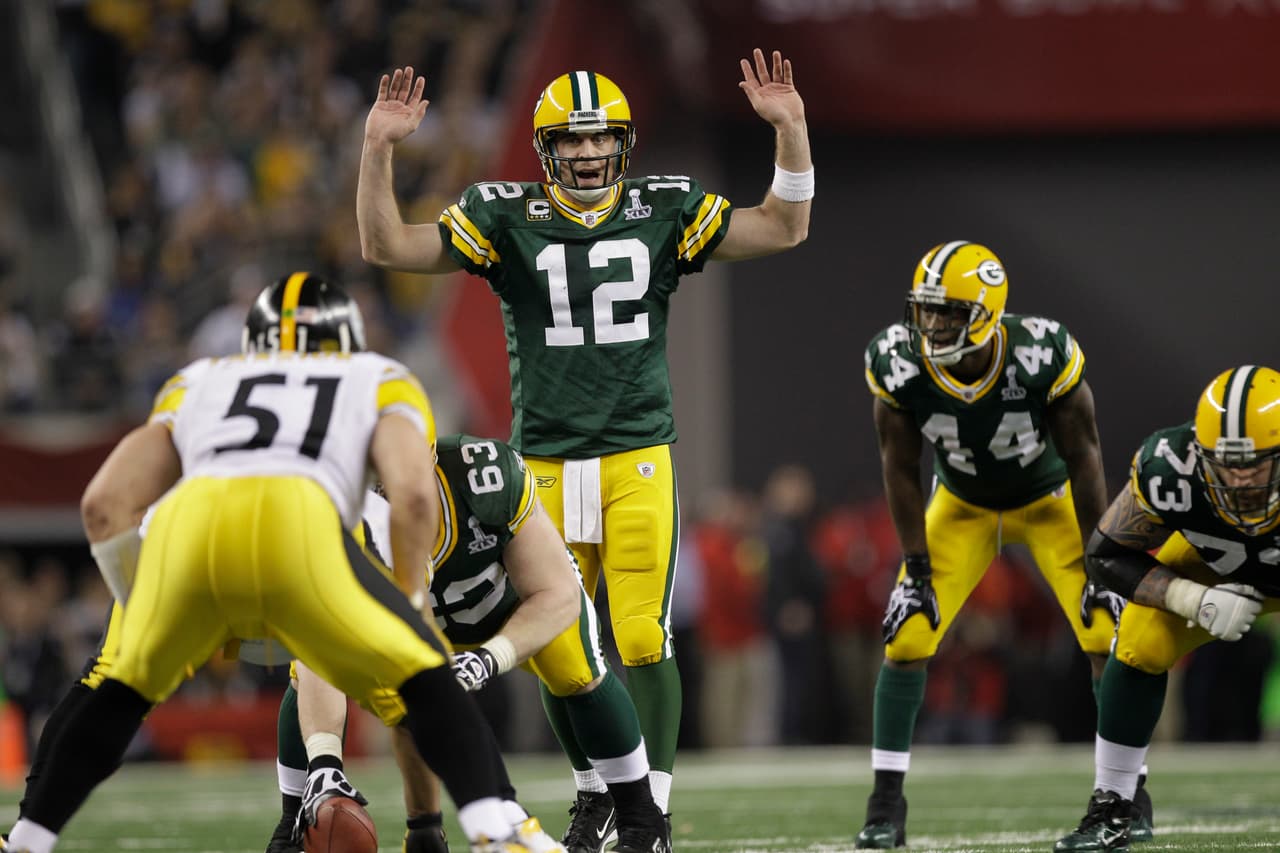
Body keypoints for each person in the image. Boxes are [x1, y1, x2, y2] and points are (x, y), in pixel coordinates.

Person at [355, 49, 812, 843]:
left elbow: (784, 224)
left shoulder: (663, 207)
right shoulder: (506, 216)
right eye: (571, 141)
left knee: (640, 635)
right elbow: (389, 248)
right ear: (546, 151)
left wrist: (792, 131)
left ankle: (652, 811)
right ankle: (594, 790)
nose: (589, 152)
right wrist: (378, 148)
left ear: (624, 144)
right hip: (542, 463)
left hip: (637, 453)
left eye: (601, 139)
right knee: (559, 645)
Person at [1, 273, 563, 853]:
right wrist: (413, 606)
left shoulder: (199, 379)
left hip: (186, 530)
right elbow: (416, 495)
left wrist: (146, 609)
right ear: (348, 338)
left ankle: (26, 840)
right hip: (300, 523)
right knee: (425, 678)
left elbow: (102, 506)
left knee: (113, 691)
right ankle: (495, 828)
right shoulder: (376, 378)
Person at [265, 435, 672, 853]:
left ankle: (642, 819)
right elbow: (318, 654)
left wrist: (490, 658)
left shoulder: (483, 477)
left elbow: (557, 594)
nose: (397, 491)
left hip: (509, 607)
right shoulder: (340, 517)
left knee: (574, 666)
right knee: (349, 675)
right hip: (412, 623)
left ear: (430, 456)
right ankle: (294, 820)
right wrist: (325, 764)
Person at [856, 241, 1130, 849]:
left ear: (985, 312)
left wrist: (1100, 562)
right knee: (907, 634)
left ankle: (1128, 796)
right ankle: (885, 807)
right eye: (925, 310)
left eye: (948, 312)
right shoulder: (898, 362)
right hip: (962, 505)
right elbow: (899, 468)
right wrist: (916, 565)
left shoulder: (1038, 353)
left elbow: (1085, 459)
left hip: (1048, 498)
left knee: (1107, 633)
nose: (932, 325)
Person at [1053, 365, 1280, 852]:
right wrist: (1189, 598)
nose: (1238, 480)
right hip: (1214, 565)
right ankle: (1116, 805)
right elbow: (1104, 555)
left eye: (1254, 464)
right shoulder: (1169, 467)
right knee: (1138, 641)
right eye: (1224, 463)